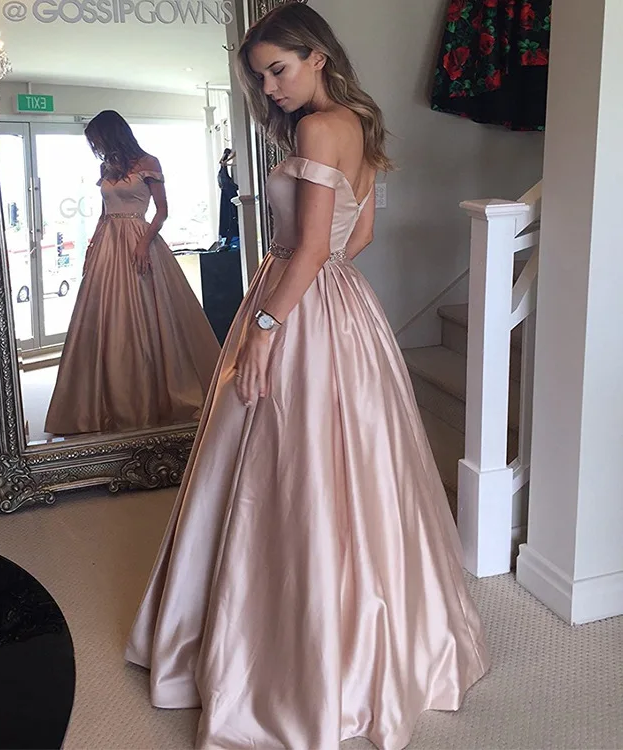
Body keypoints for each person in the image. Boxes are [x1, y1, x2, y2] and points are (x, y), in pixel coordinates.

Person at [125, 5, 490, 750]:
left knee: (285, 460)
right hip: (339, 306)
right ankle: (367, 636)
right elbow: (360, 236)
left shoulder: (320, 129)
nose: (269, 87)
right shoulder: (358, 123)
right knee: (349, 464)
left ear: (317, 56)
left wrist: (268, 323)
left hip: (292, 303)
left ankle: (288, 651)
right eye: (260, 77)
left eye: (278, 70)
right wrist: (317, 287)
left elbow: (317, 246)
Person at [44, 111, 221, 436]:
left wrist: (143, 243)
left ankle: (156, 395)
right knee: (106, 316)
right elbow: (104, 214)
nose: (95, 146)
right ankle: (105, 401)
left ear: (112, 134)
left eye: (97, 139)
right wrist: (92, 246)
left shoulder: (149, 162)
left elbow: (162, 211)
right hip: (108, 244)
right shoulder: (106, 168)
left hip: (141, 239)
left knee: (149, 314)